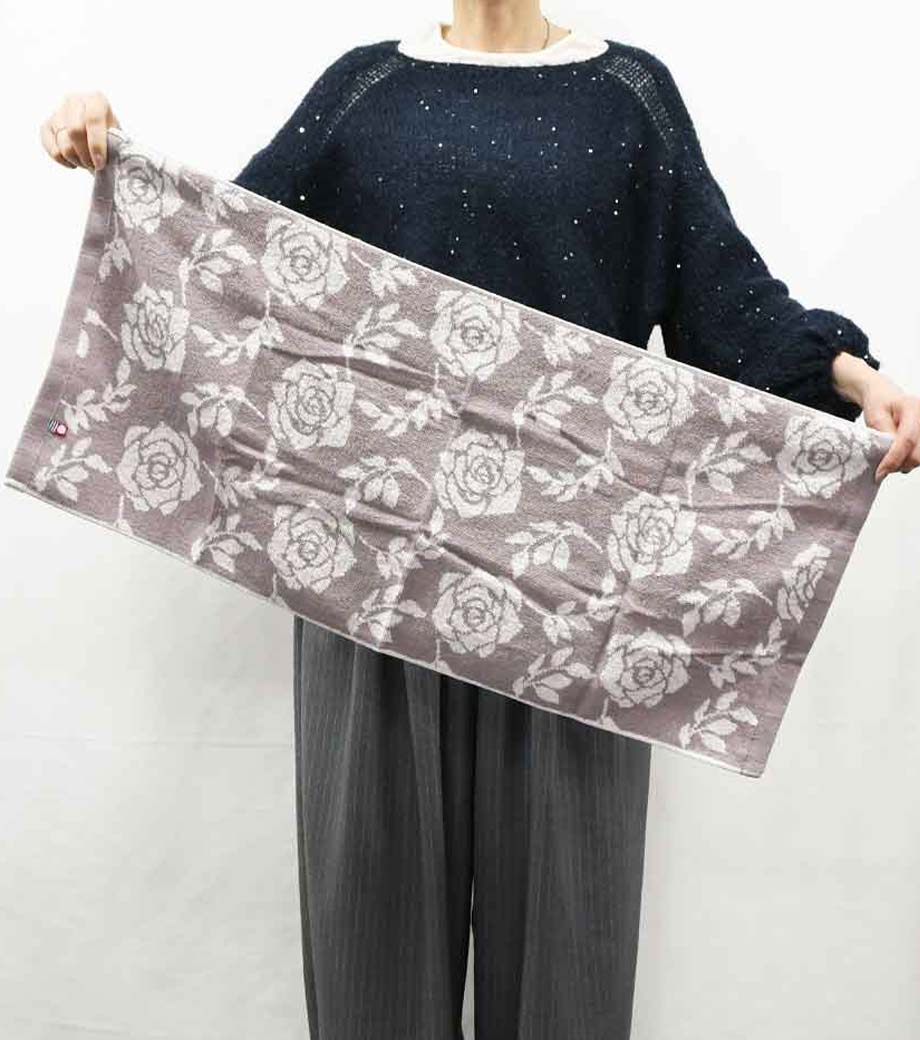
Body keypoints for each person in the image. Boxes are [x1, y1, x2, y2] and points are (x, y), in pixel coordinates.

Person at [39, 5, 920, 1038]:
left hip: (576, 607)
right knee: (371, 960)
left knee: (567, 966)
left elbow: (723, 301)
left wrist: (855, 379)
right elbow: (226, 261)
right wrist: (112, 148)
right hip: (365, 590)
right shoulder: (365, 89)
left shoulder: (627, 96)